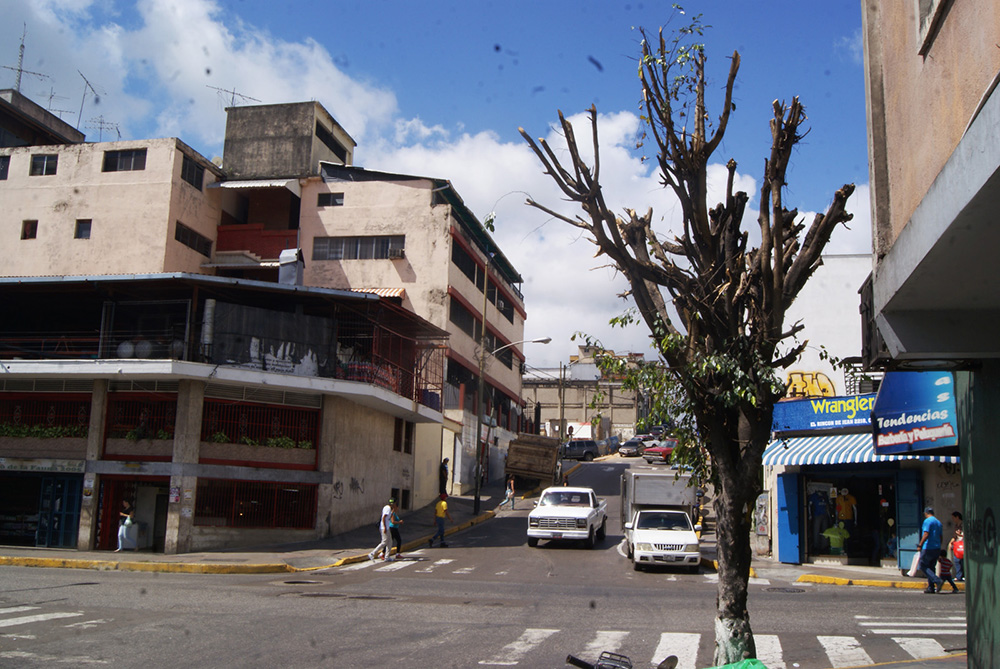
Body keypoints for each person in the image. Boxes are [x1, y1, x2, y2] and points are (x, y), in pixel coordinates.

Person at [918, 506, 945, 594]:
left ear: (926, 513)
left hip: (928, 547)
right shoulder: (938, 522)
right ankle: (931, 587)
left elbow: (926, 534)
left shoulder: (927, 521)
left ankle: (937, 580)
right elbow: (941, 537)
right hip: (936, 547)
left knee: (923, 565)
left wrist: (920, 545)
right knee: (931, 567)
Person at [949, 511, 964, 582]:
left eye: (953, 518)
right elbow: (954, 536)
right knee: (957, 560)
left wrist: (960, 535)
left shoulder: (963, 525)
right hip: (957, 544)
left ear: (957, 517)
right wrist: (951, 542)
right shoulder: (956, 526)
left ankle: (961, 576)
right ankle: (959, 576)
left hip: (962, 544)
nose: (953, 519)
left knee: (962, 561)